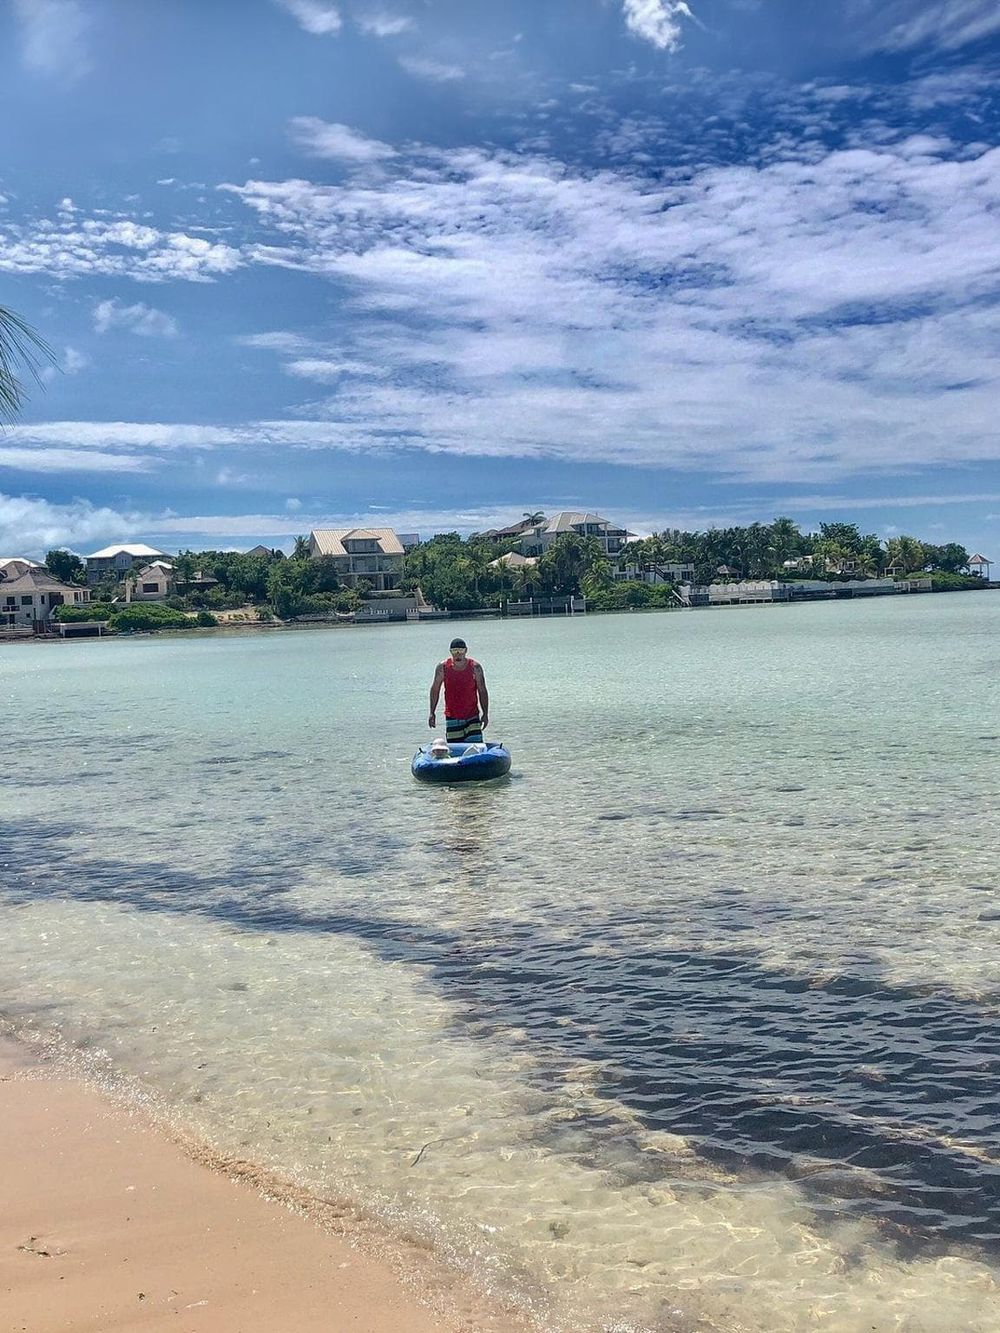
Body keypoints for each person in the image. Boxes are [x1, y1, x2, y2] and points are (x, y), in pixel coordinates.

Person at [428, 637, 489, 746]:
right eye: (454, 651)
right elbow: (435, 690)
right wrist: (432, 712)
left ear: (466, 651)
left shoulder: (475, 668)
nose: (457, 654)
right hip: (452, 716)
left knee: (475, 747)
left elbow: (482, 691)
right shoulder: (443, 668)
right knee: (455, 749)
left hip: (472, 715)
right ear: (450, 652)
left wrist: (485, 713)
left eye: (460, 651)